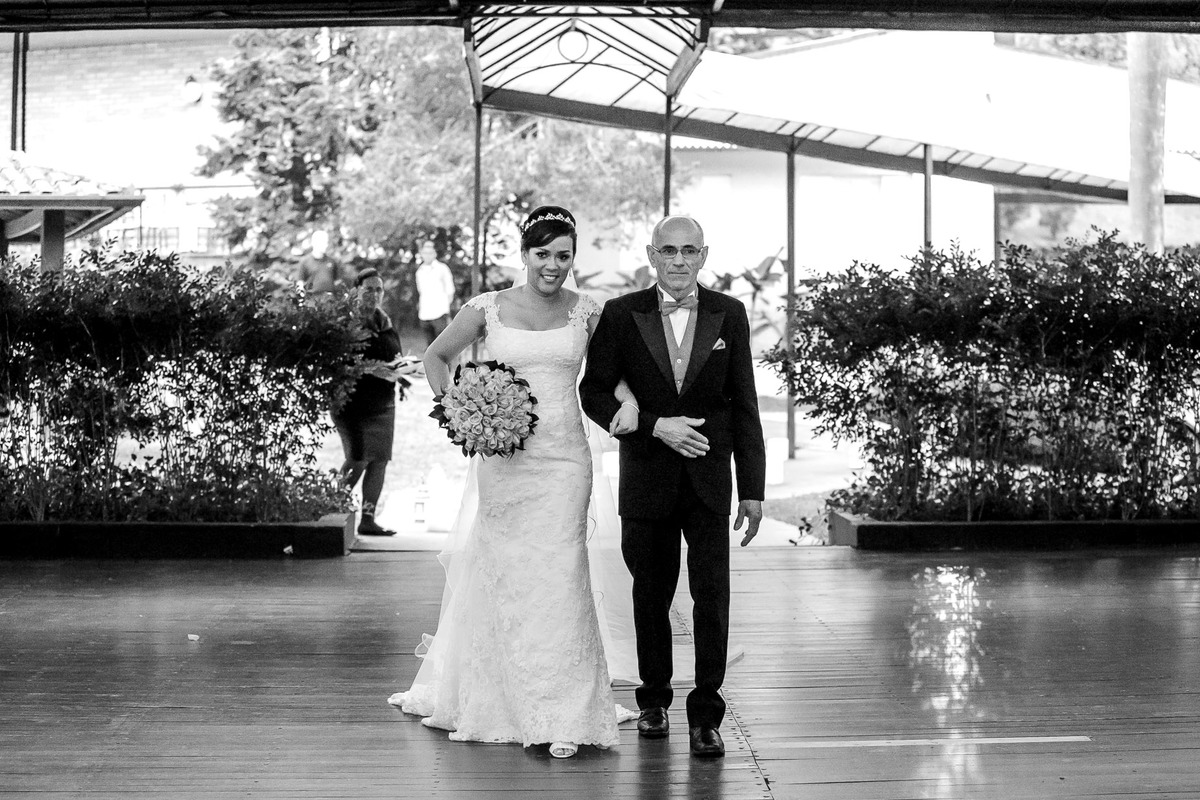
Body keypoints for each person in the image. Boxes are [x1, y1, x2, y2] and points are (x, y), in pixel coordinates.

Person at [388, 206, 640, 759]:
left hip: (565, 460)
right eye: (543, 254)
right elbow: (436, 356)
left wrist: (629, 401)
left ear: (574, 258)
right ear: (524, 255)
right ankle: (503, 697)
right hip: (504, 461)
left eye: (563, 256)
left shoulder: (589, 313)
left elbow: (612, 376)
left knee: (561, 573)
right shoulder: (487, 308)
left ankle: (566, 711)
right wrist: (461, 408)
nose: (553, 266)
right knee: (508, 575)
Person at [579, 215, 767, 758]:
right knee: (651, 594)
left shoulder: (729, 314)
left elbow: (745, 404)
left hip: (711, 479)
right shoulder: (621, 314)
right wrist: (655, 424)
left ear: (703, 256)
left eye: (689, 251)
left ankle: (706, 713)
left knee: (712, 597)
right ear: (651, 255)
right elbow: (593, 393)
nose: (679, 260)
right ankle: (654, 702)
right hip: (647, 477)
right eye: (668, 251)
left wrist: (751, 487)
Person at [332, 268, 413, 537]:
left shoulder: (384, 321)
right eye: (369, 289)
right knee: (358, 458)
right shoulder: (348, 322)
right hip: (352, 404)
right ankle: (330, 511)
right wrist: (371, 370)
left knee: (379, 461)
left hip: (383, 404)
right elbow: (340, 363)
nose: (375, 294)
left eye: (379, 289)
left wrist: (404, 371)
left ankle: (368, 519)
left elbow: (393, 356)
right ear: (356, 291)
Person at [414, 240, 455, 348]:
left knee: (443, 346)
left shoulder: (442, 269)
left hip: (440, 313)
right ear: (422, 254)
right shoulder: (419, 272)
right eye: (425, 253)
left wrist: (445, 309)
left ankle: (449, 365)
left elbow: (450, 291)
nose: (427, 256)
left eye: (430, 253)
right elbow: (421, 291)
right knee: (430, 347)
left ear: (434, 254)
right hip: (425, 314)